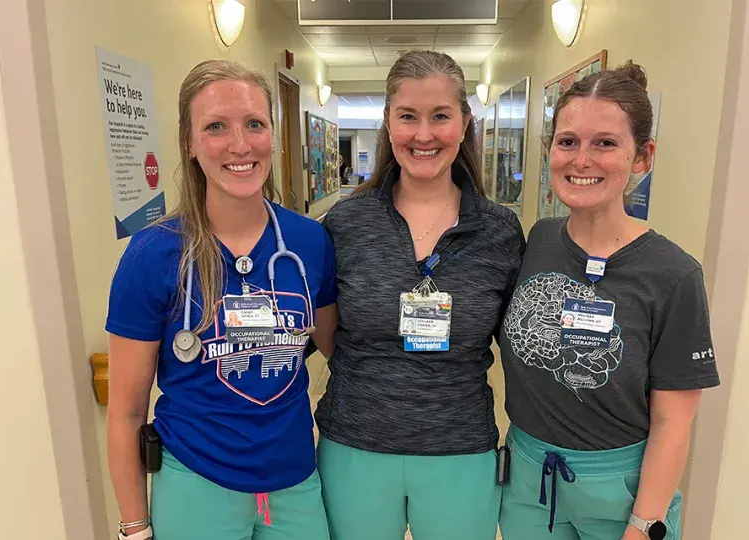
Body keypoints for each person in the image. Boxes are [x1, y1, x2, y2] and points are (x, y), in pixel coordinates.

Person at [105, 59, 337, 540]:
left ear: (272, 134)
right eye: (216, 127)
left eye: (254, 124)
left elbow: (338, 349)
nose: (240, 144)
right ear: (190, 143)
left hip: (295, 482)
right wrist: (134, 528)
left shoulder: (309, 242)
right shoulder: (153, 254)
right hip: (195, 484)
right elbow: (126, 411)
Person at [498, 60, 720, 540]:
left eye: (605, 143)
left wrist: (643, 526)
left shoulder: (674, 275)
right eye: (568, 141)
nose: (581, 161)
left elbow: (673, 422)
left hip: (621, 494)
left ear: (643, 157)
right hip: (529, 483)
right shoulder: (538, 241)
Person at [315, 50, 526, 540]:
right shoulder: (346, 223)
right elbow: (328, 336)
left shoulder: (500, 232)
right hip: (355, 446)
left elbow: (512, 346)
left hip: (461, 451)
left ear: (465, 123)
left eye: (440, 116)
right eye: (407, 116)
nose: (424, 134)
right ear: (388, 123)